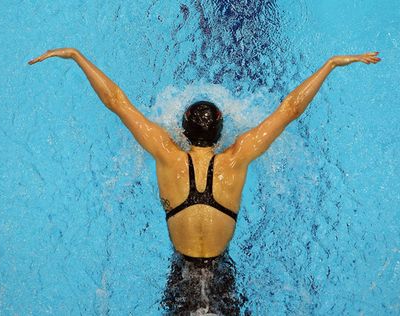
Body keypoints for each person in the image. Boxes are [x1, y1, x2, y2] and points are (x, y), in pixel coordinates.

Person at [28, 49, 380, 314]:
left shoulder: (167, 156)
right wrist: (331, 64)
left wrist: (75, 55)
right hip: (222, 276)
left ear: (182, 130)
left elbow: (117, 101)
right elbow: (289, 109)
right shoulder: (237, 158)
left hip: (181, 279)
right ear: (222, 128)